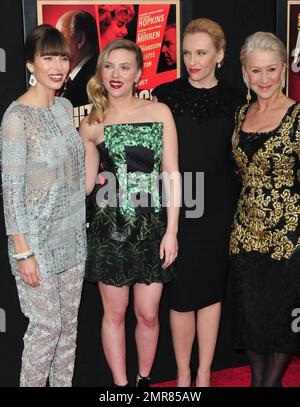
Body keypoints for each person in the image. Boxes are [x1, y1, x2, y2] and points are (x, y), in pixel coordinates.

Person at [80, 39, 179, 387]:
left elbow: (171, 173)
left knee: (148, 315)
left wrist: (172, 232)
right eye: (109, 66)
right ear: (101, 72)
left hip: (152, 229)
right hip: (110, 232)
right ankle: (121, 387)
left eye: (124, 67)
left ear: (138, 73)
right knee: (115, 313)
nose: (116, 74)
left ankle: (143, 380)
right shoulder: (92, 122)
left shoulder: (159, 112)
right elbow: (88, 186)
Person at [152, 18, 241, 387]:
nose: (193, 60)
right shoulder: (165, 94)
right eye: (187, 53)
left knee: (210, 291)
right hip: (179, 203)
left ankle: (204, 372)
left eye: (202, 53)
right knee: (182, 294)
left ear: (220, 54)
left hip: (220, 206)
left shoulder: (238, 98)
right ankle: (183, 372)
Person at [0, 25, 86, 386]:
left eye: (63, 57)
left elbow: (73, 169)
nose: (57, 65)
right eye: (48, 57)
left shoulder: (66, 108)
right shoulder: (16, 118)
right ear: (30, 63)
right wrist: (23, 252)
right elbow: (10, 189)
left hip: (72, 238)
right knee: (46, 329)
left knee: (68, 331)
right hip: (35, 243)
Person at [230, 31, 300, 387]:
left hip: (288, 237)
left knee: (280, 320)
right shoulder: (242, 112)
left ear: (284, 69)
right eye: (255, 71)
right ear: (244, 72)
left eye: (271, 69)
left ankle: (268, 384)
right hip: (244, 235)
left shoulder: (299, 116)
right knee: (251, 318)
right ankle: (260, 380)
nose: (264, 79)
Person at [56, 9, 99, 108]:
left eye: (60, 38)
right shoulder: (74, 78)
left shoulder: (94, 80)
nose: (55, 46)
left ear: (80, 41)